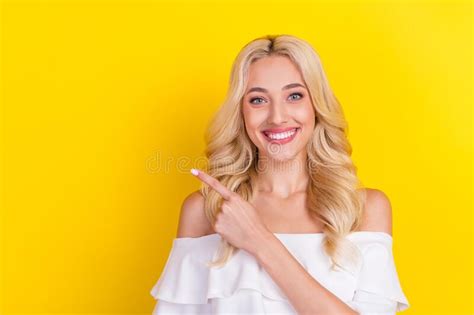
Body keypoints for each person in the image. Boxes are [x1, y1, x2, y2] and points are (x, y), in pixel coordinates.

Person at [150, 34, 410, 314]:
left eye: (294, 96)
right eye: (258, 100)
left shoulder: (364, 210)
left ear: (316, 106)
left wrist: (259, 240)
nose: (277, 117)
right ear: (241, 113)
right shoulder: (206, 211)